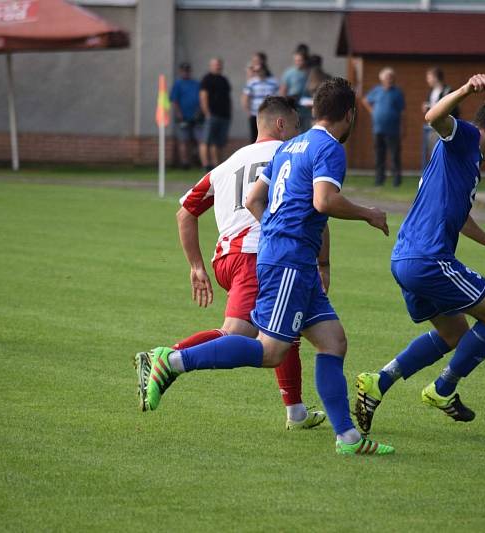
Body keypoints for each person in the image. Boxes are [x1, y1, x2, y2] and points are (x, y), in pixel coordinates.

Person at [142, 77, 396, 456]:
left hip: (294, 260)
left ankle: (347, 438)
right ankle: (174, 361)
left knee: (333, 341)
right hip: (289, 260)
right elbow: (325, 202)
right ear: (351, 114)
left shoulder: (292, 145)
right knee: (269, 351)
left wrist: (278, 229)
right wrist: (368, 213)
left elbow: (253, 197)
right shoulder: (329, 148)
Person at [353, 74, 485, 436]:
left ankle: (378, 382)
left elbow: (459, 216)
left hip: (405, 259)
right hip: (428, 259)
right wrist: (466, 90)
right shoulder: (464, 138)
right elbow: (433, 117)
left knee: (453, 333)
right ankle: (442, 389)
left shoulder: (465, 163)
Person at [135, 96, 325, 430]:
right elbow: (316, 211)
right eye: (297, 126)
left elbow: (185, 212)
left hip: (227, 258)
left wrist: (195, 266)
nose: (300, 133)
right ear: (281, 125)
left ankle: (295, 411)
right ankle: (167, 358)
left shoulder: (227, 164)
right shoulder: (293, 157)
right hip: (258, 256)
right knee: (237, 334)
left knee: (284, 329)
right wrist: (324, 263)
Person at [363, 67, 406, 187]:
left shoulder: (397, 92)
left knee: (394, 155)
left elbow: (403, 112)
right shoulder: (376, 90)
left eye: (392, 77)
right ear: (382, 79)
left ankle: (397, 180)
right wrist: (372, 111)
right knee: (379, 155)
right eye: (387, 77)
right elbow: (365, 100)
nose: (390, 80)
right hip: (378, 129)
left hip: (393, 130)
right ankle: (379, 179)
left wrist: (403, 128)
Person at [199, 58, 232, 171]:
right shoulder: (207, 79)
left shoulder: (224, 80)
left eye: (219, 64)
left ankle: (216, 165)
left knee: (218, 142)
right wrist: (207, 113)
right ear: (211, 66)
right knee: (206, 140)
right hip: (211, 115)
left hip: (224, 116)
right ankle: (205, 165)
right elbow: (203, 96)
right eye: (215, 64)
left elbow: (228, 98)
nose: (218, 66)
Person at [170, 62, 202, 169]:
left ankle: (198, 160)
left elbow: (201, 99)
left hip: (196, 117)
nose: (186, 72)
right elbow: (174, 101)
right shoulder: (178, 84)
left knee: (198, 140)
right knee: (184, 140)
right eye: (184, 70)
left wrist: (199, 112)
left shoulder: (196, 83)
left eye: (187, 70)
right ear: (180, 71)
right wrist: (179, 114)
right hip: (183, 117)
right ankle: (185, 162)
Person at [422, 67, 458, 160]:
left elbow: (453, 111)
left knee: (445, 155)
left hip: (444, 129)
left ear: (435, 77)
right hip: (432, 128)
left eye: (429, 77)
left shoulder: (448, 91)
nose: (427, 80)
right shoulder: (431, 92)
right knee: (433, 155)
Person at [241, 64, 279, 143]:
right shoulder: (251, 82)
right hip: (255, 114)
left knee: (269, 135)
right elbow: (246, 97)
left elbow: (278, 95)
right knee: (254, 137)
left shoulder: (273, 81)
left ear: (264, 70)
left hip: (269, 114)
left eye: (258, 70)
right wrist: (248, 111)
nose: (257, 72)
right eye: (255, 71)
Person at [279, 44, 310, 130]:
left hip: (308, 110)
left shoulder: (311, 72)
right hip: (293, 108)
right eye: (296, 60)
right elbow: (283, 90)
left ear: (305, 60)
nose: (297, 62)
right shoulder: (289, 73)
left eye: (300, 60)